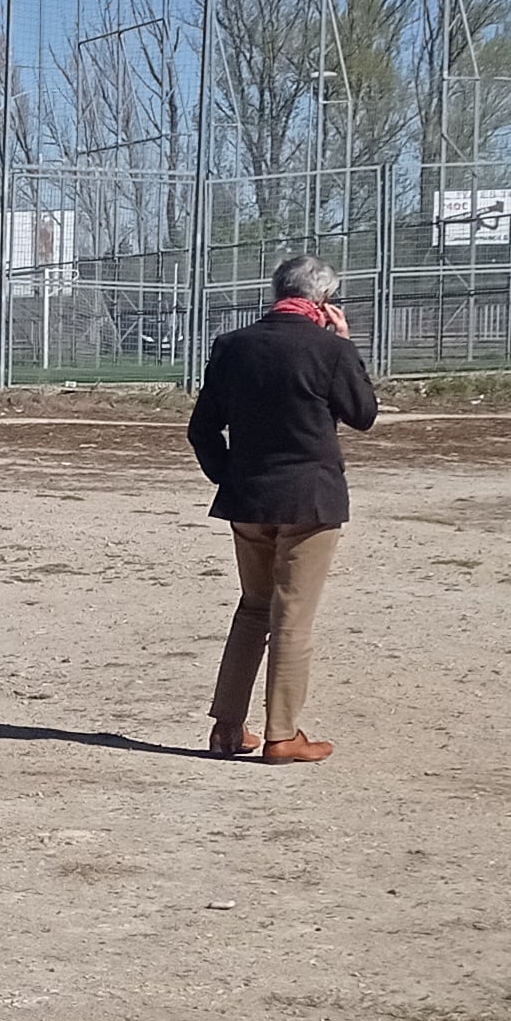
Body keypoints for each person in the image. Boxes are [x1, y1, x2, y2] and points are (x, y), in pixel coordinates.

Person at [188, 249, 382, 766]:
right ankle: (282, 735)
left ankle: (228, 729)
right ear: (322, 300)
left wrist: (230, 477)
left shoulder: (232, 346)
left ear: (278, 293)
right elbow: (363, 415)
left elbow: (202, 429)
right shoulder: (329, 350)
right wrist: (345, 345)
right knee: (293, 617)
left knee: (253, 609)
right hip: (310, 500)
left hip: (248, 499)